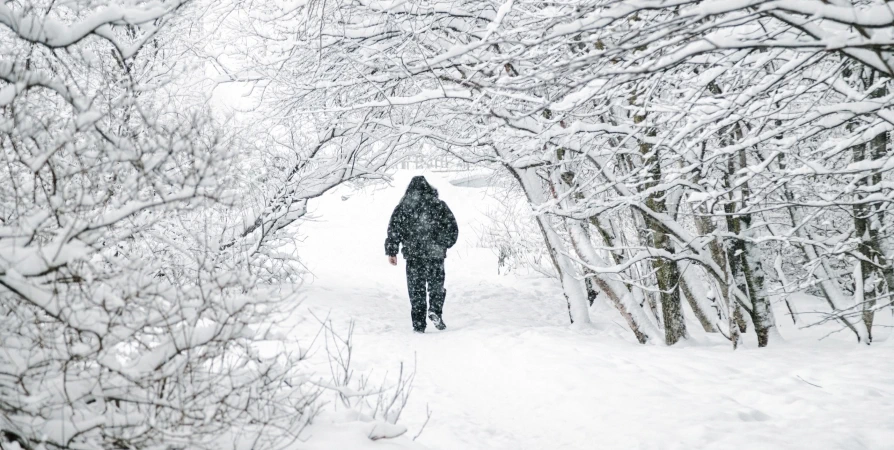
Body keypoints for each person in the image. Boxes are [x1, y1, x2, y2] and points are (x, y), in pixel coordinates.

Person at [385, 176, 458, 333]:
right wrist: (444, 243)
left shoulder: (403, 207)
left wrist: (392, 251)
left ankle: (419, 324)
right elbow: (453, 228)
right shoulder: (439, 205)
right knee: (436, 286)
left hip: (414, 255)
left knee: (416, 290)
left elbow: (394, 230)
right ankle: (435, 310)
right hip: (435, 254)